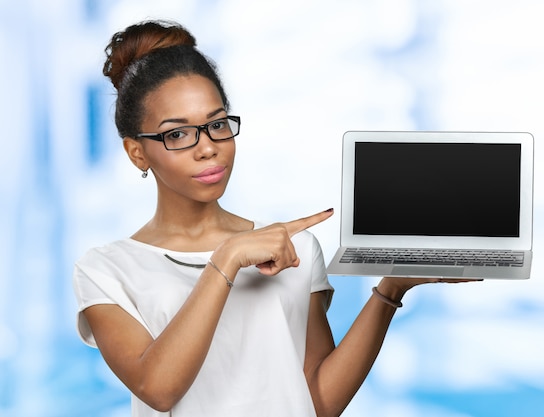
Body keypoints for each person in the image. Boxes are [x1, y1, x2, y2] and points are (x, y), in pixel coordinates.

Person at [73, 19, 477, 417]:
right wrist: (227, 256)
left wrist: (391, 289)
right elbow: (158, 388)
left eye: (217, 125)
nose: (208, 148)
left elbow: (317, 402)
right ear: (137, 152)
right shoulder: (106, 270)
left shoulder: (294, 248)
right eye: (177, 134)